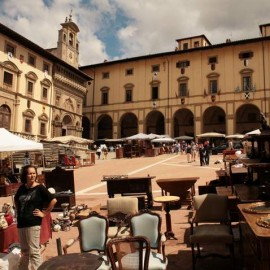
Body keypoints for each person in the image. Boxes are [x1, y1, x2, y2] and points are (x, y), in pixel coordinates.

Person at [14, 165, 57, 270]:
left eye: (34, 173)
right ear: (25, 175)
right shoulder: (22, 188)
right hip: (21, 223)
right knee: (25, 251)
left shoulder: (40, 188)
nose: (32, 175)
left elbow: (53, 200)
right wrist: (19, 212)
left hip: (33, 223)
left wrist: (44, 213)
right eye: (30, 173)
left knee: (34, 252)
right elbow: (16, 200)